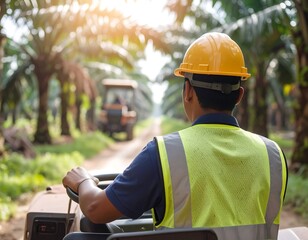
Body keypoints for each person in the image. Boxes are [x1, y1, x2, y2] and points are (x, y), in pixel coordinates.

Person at [62, 32, 288, 239]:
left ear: (188, 91)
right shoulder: (273, 156)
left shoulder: (164, 154)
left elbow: (95, 209)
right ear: (239, 95)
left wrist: (84, 181)